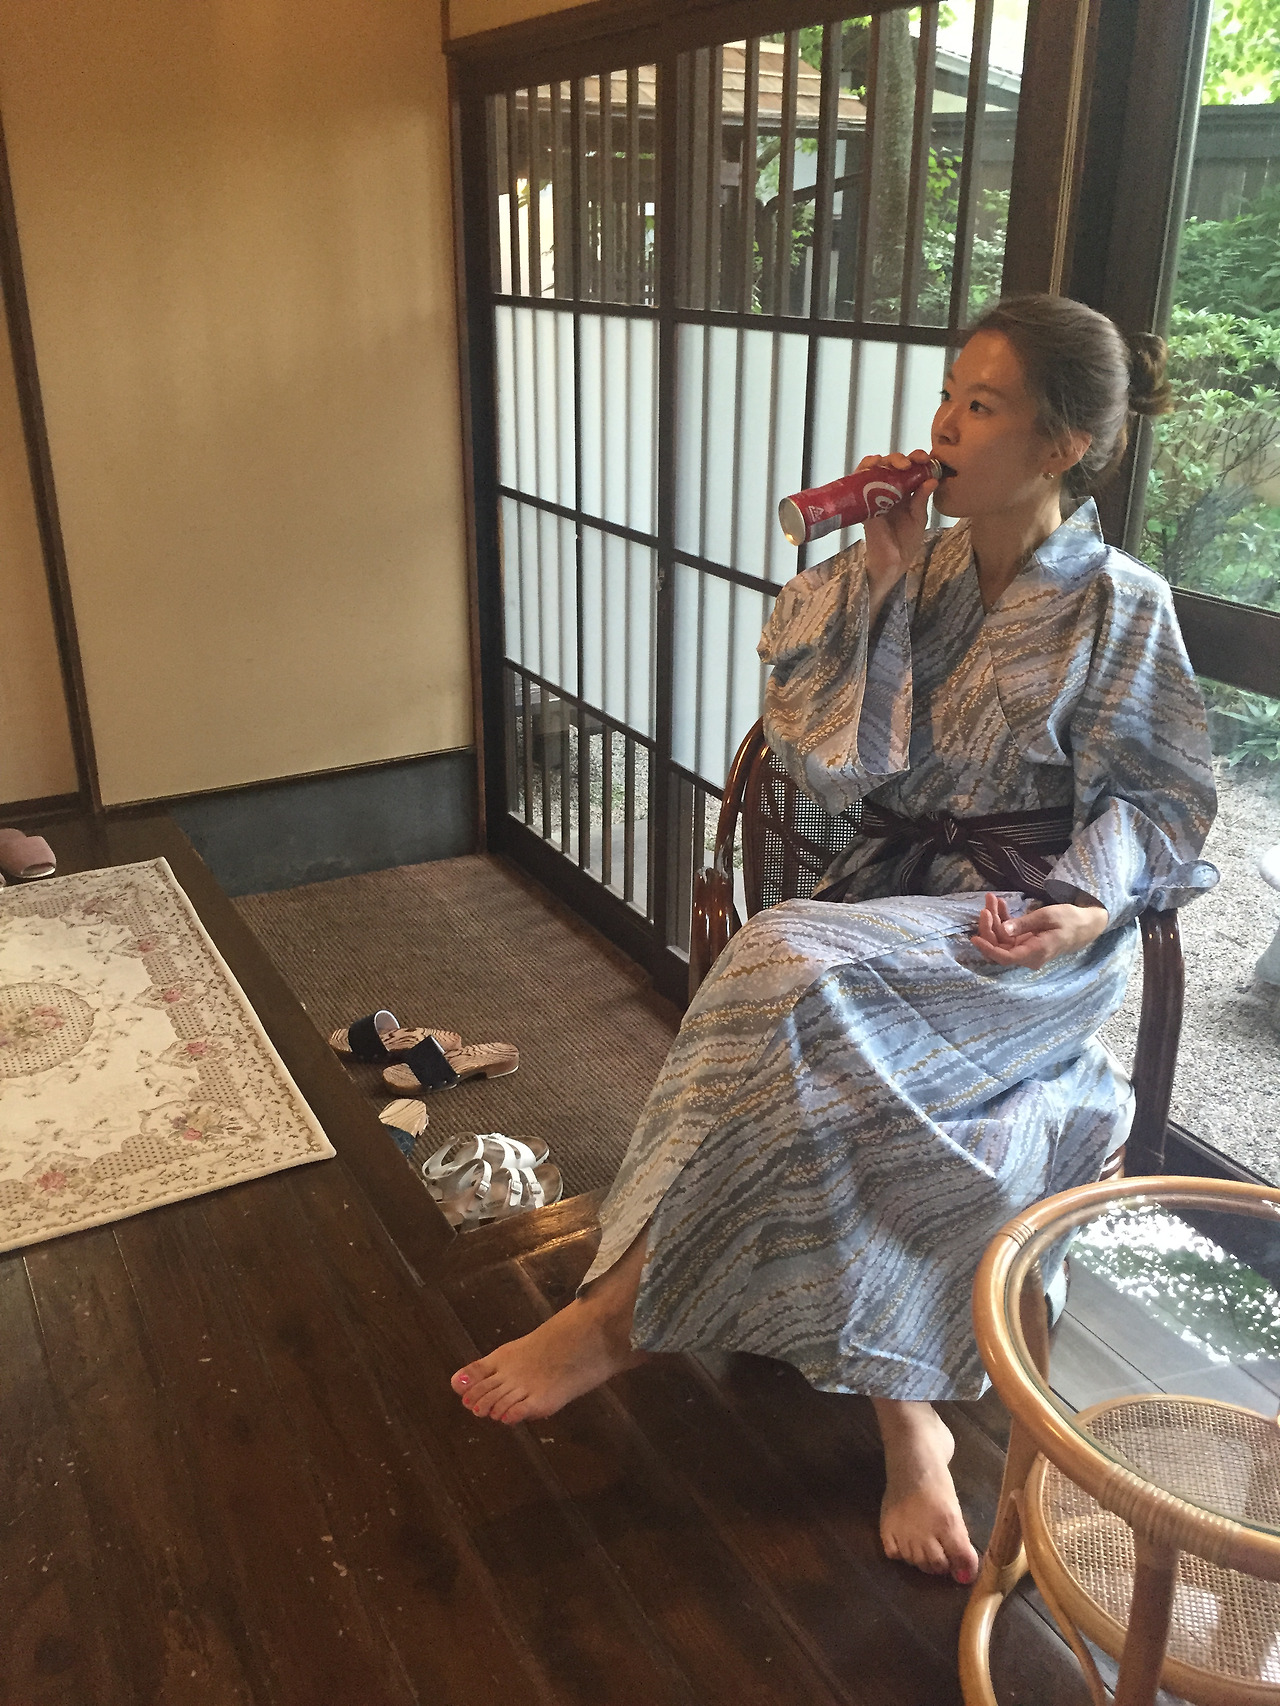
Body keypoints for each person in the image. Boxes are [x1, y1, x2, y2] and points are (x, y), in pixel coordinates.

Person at [450, 294, 1218, 1586]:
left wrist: (1086, 902)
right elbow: (832, 766)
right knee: (812, 1026)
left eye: (983, 405)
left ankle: (620, 1315)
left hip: (1021, 936)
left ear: (1062, 446)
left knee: (783, 963)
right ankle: (910, 1420)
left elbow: (1163, 797)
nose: (944, 425)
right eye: (949, 394)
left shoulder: (1120, 604)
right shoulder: (919, 563)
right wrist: (881, 576)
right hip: (892, 897)